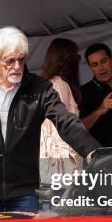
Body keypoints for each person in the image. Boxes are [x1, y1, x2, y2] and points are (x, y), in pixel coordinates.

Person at [0, 27, 100, 213]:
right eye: (10, 61)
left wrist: (93, 151)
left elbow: (65, 121)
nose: (17, 67)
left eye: (21, 59)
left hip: (24, 190)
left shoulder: (39, 88)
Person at [39, 38, 83, 199]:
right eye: (76, 57)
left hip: (51, 168)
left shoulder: (47, 84)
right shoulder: (60, 85)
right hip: (62, 169)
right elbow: (62, 132)